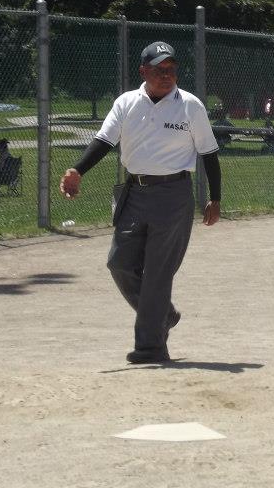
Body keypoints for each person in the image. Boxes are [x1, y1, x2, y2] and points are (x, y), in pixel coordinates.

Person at [60, 41, 222, 364]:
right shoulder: (126, 103)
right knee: (119, 263)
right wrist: (78, 170)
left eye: (172, 70)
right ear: (143, 71)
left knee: (158, 274)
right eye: (160, 70)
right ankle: (163, 314)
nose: (167, 75)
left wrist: (215, 198)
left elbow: (209, 153)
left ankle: (150, 347)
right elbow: (104, 141)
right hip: (134, 193)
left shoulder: (190, 106)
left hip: (173, 196)